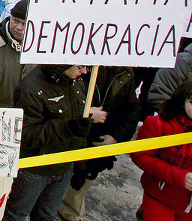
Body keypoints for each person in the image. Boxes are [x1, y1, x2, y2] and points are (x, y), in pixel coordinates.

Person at [3, 64, 103, 221]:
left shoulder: (75, 81)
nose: (84, 72)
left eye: (87, 67)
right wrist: (68, 128)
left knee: (47, 216)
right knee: (16, 215)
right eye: (81, 66)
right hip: (34, 170)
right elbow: (26, 135)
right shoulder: (31, 88)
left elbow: (80, 128)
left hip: (64, 166)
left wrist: (80, 164)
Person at [58, 66, 139, 221]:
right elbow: (56, 99)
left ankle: (70, 213)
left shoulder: (124, 72)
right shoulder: (78, 65)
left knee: (79, 187)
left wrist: (116, 137)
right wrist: (86, 114)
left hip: (100, 143)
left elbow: (132, 110)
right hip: (70, 138)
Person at [132, 80, 192, 221]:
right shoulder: (158, 124)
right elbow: (140, 156)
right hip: (160, 199)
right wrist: (180, 177)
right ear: (182, 100)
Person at [0, 0, 34, 107]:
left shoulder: (41, 48)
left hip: (30, 111)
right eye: (15, 21)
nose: (19, 27)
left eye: (24, 23)